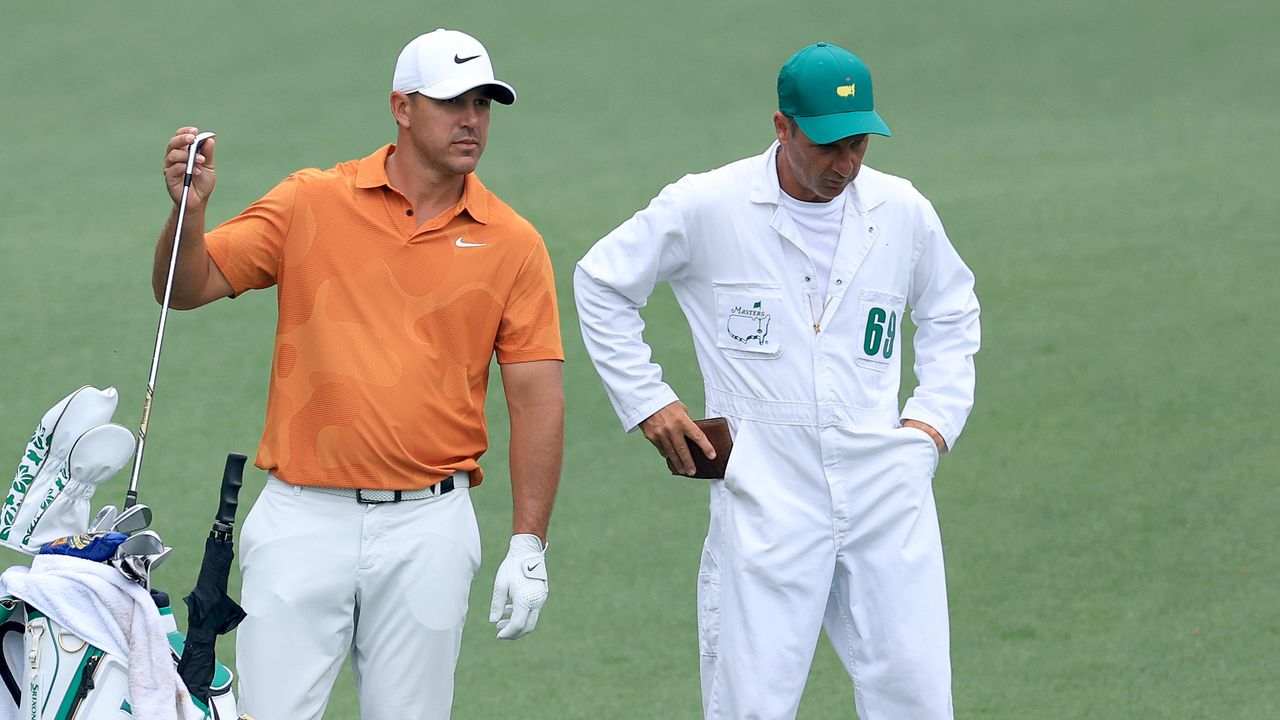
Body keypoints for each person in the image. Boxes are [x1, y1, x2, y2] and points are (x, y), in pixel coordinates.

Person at [153, 28, 564, 720]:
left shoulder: (513, 242)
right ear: (402, 108)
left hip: (430, 527)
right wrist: (187, 214)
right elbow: (184, 286)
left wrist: (529, 543)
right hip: (301, 518)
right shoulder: (312, 200)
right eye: (453, 102)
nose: (472, 121)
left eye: (484, 104)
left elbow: (538, 399)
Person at [574, 41, 981, 719]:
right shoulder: (709, 205)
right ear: (782, 127)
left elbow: (952, 309)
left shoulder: (902, 210)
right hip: (766, 490)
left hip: (885, 482)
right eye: (828, 145)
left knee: (916, 698)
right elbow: (601, 282)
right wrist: (649, 401)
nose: (846, 164)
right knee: (750, 705)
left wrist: (932, 423)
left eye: (858, 144)